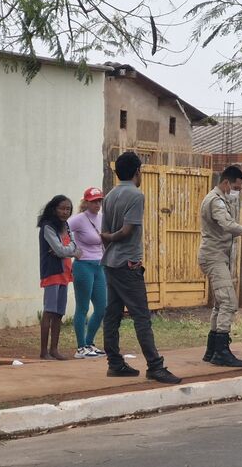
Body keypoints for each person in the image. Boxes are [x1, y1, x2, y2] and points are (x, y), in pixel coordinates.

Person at [99, 152, 181, 384]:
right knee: (141, 316)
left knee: (112, 314)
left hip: (110, 262)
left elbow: (104, 234)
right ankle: (155, 365)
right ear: (137, 171)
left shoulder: (110, 195)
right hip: (128, 263)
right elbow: (126, 231)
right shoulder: (136, 195)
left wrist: (109, 239)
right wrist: (114, 238)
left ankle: (115, 363)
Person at [199, 165, 242, 367]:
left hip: (217, 256)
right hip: (213, 257)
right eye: (236, 187)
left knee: (221, 303)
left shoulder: (218, 199)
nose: (237, 192)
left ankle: (212, 349)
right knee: (229, 301)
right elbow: (227, 225)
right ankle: (221, 351)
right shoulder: (215, 201)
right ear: (226, 182)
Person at [37, 195, 82, 360]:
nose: (65, 212)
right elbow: (63, 250)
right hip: (52, 272)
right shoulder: (48, 227)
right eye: (62, 208)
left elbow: (72, 248)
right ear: (54, 209)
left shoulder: (66, 226)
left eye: (68, 209)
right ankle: (43, 351)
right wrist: (68, 249)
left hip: (65, 271)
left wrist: (66, 248)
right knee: (49, 311)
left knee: (59, 313)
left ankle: (54, 349)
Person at [67, 187, 108, 359]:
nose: (97, 204)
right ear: (86, 202)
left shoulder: (102, 218)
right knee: (82, 307)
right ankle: (80, 347)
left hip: (99, 265)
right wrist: (72, 249)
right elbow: (63, 230)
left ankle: (89, 342)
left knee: (102, 307)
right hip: (83, 265)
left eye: (99, 201)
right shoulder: (78, 220)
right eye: (93, 201)